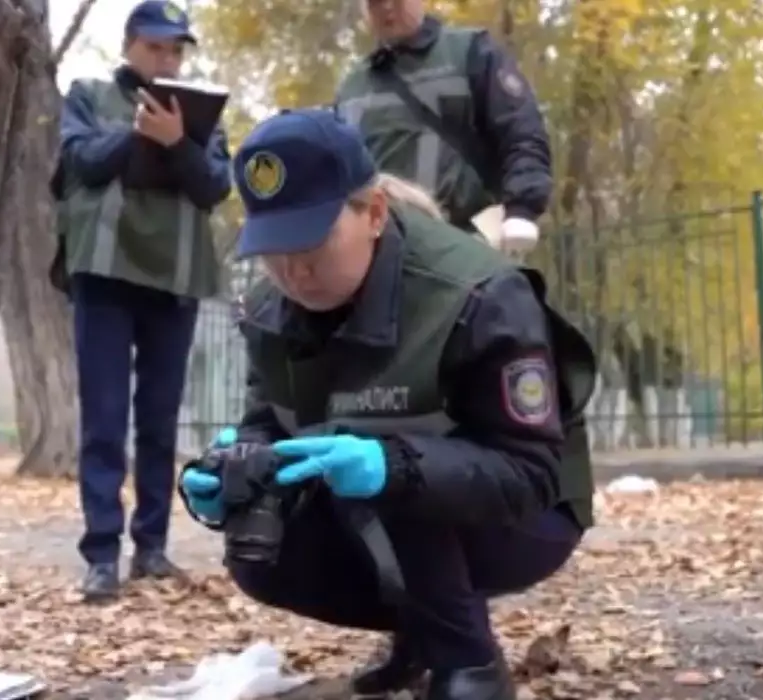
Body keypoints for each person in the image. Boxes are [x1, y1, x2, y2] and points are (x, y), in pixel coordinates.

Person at [176, 109, 597, 700]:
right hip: (405, 505)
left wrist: (390, 463)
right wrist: (239, 466)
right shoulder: (272, 311)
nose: (292, 270)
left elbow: (531, 473)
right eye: (273, 247)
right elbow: (270, 417)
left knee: (391, 478)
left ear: (373, 213)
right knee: (260, 553)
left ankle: (469, 664)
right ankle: (420, 631)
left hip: (530, 517)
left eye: (311, 241)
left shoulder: (479, 296)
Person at [56, 0, 232, 602]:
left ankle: (151, 548)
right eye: (157, 46)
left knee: (159, 420)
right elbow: (78, 160)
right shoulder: (87, 94)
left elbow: (214, 186)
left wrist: (179, 141)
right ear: (130, 44)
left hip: (175, 277)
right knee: (104, 419)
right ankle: (101, 554)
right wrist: (136, 134)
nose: (168, 57)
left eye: (177, 48)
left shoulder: (204, 112)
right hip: (103, 272)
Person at [334, 0, 552, 256]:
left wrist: (522, 208)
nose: (386, 8)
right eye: (375, 2)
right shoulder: (352, 87)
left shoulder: (471, 52)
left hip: (469, 242)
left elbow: (521, 130)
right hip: (384, 250)